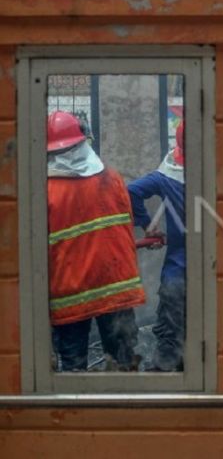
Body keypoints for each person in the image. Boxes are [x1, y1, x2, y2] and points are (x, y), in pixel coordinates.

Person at [46, 110, 145, 371]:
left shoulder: (44, 191)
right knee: (122, 366)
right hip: (116, 289)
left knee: (73, 374)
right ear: (83, 142)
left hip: (69, 297)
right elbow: (126, 225)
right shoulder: (112, 179)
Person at [127, 121, 186, 372]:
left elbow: (131, 191)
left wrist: (145, 223)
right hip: (219, 269)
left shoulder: (166, 176)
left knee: (171, 331)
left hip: (178, 269)